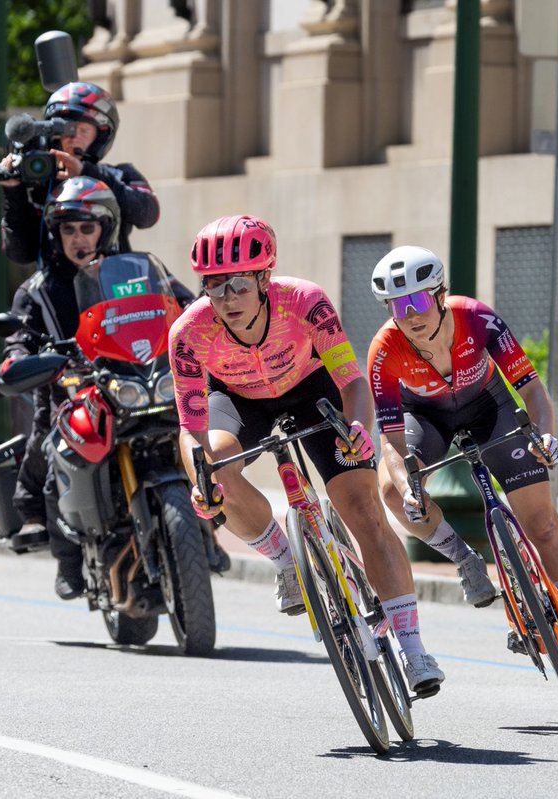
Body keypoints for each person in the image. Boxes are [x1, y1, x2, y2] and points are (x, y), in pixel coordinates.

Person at [170, 215, 447, 696]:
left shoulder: (304, 302)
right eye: (213, 287)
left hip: (311, 388)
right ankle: (285, 561)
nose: (226, 299)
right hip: (238, 399)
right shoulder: (189, 332)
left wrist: (358, 428)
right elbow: (190, 427)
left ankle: (413, 647)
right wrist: (201, 478)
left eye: (237, 284)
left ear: (263, 277)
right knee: (213, 466)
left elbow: (351, 380)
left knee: (362, 510)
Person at [366, 245, 558, 682]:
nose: (409, 313)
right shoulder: (384, 349)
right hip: (423, 417)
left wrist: (546, 435)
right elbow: (390, 441)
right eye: (396, 305)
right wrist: (410, 486)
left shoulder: (477, 318)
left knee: (542, 524)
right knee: (392, 491)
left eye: (418, 300)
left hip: (489, 404)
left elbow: (533, 391)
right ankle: (463, 557)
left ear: (440, 294)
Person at [3, 177, 196, 599]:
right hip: (72, 390)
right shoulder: (39, 290)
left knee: (196, 428)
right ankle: (68, 562)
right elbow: (18, 337)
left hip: (135, 382)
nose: (78, 238)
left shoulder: (135, 271)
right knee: (55, 456)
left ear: (105, 229)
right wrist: (20, 358)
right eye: (68, 229)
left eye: (86, 228)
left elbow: (181, 303)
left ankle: (205, 528)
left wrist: (201, 311)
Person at [0, 81, 158, 263]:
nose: (74, 138)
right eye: (66, 130)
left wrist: (87, 173)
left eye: (83, 130)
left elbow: (148, 215)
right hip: (55, 288)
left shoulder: (119, 175)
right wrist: (14, 192)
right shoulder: (38, 182)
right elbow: (21, 254)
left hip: (112, 282)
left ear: (100, 136)